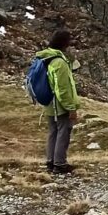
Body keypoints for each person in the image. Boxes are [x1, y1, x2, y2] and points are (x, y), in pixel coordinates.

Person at [37, 30, 80, 175]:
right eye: (69, 40)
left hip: (48, 103)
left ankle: (51, 162)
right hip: (59, 105)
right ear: (64, 43)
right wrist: (71, 108)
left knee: (53, 132)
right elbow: (62, 88)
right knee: (64, 131)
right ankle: (60, 164)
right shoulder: (60, 62)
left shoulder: (46, 58)